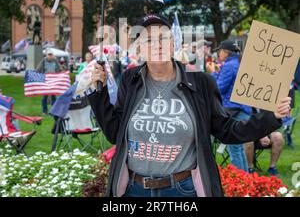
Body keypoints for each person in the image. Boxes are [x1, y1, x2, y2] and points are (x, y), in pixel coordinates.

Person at [87, 14, 291, 198]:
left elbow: (227, 130)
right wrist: (99, 92)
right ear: (139, 48)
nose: (157, 45)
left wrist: (271, 116)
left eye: (163, 38)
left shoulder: (201, 83)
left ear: (174, 43)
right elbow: (115, 133)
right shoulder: (131, 80)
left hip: (182, 190)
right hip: (133, 189)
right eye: (148, 40)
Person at [206, 40, 252, 172]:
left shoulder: (229, 66)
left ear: (225, 52)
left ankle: (240, 181)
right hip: (243, 109)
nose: (218, 53)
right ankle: (245, 179)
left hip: (233, 110)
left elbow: (219, 89)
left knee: (234, 148)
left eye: (219, 51)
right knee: (238, 147)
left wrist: (213, 73)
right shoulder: (239, 63)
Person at [36, 48, 61, 115]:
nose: (50, 56)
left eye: (51, 55)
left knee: (53, 96)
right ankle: (44, 111)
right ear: (46, 55)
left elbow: (59, 69)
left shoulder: (55, 61)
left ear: (52, 55)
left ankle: (53, 110)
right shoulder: (43, 61)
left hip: (53, 81)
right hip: (46, 81)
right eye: (49, 55)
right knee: (44, 96)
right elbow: (38, 69)